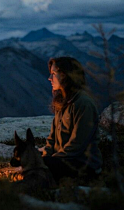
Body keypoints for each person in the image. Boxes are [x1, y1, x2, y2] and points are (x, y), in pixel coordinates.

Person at [40, 56, 102, 185]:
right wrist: (46, 156)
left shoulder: (83, 103)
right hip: (62, 160)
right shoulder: (61, 102)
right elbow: (52, 139)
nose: (49, 78)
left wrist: (47, 162)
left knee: (38, 165)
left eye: (53, 74)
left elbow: (76, 145)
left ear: (66, 76)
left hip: (82, 165)